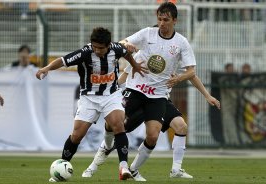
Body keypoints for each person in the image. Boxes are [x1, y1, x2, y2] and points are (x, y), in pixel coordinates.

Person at [82, 2, 202, 181]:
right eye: (159, 19)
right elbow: (123, 43)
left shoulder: (181, 43)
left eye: (166, 20)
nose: (162, 23)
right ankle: (94, 164)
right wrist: (127, 45)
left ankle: (134, 170)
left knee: (153, 136)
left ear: (175, 21)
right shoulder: (147, 34)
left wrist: (179, 79)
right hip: (136, 90)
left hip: (158, 97)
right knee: (115, 125)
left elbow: (191, 71)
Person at [35, 27, 147, 182]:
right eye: (95, 46)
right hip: (89, 97)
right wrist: (46, 68)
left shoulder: (116, 48)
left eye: (100, 48)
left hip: (111, 95)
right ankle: (62, 166)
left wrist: (134, 65)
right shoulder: (85, 52)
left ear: (108, 45)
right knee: (77, 135)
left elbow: (127, 54)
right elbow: (63, 60)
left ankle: (123, 167)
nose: (97, 50)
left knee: (118, 125)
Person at [82, 60, 221, 181]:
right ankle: (92, 166)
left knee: (180, 127)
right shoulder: (143, 54)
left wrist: (208, 96)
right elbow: (125, 75)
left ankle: (168, 170)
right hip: (137, 96)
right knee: (117, 129)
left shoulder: (174, 56)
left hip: (160, 100)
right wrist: (107, 90)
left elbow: (192, 74)